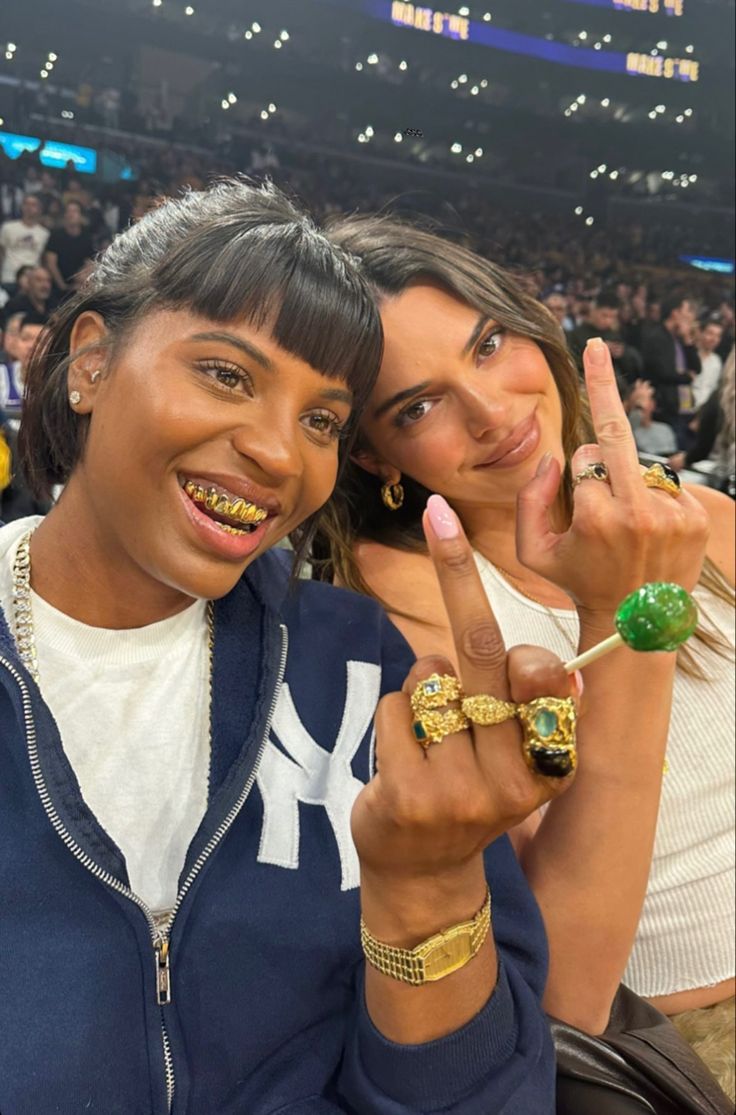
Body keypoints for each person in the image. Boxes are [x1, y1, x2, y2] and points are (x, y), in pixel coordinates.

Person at [1, 177, 589, 1114]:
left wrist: (427, 885)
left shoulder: (364, 667)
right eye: (227, 373)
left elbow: (490, 1094)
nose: (281, 453)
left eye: (322, 419)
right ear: (91, 363)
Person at [318, 213, 735, 1101]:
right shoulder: (403, 607)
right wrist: (626, 616)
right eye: (419, 405)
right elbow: (560, 980)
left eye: (488, 342)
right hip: (679, 1039)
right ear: (371, 451)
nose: (494, 411)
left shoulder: (696, 514)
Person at [641, 293, 701, 435]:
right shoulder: (657, 337)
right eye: (687, 311)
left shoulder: (680, 339)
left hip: (684, 403)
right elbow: (663, 373)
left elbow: (697, 368)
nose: (690, 317)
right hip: (665, 406)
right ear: (675, 313)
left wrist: (687, 340)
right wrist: (687, 377)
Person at [567, 290, 643, 389]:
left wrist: (622, 354)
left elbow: (629, 370)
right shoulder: (576, 335)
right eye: (604, 315)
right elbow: (572, 364)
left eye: (612, 317)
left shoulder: (615, 335)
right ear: (593, 310)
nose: (608, 321)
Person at [43, 200, 95, 294]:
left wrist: (82, 278)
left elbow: (89, 261)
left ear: (81, 216)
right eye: (69, 211)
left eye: (75, 211)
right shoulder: (56, 235)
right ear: (65, 215)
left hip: (79, 282)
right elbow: (51, 264)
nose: (71, 214)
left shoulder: (86, 236)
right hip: (59, 283)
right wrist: (63, 286)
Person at [0, 194, 50, 293]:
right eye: (26, 204)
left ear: (39, 209)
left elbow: (44, 259)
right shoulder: (8, 227)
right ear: (22, 206)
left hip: (34, 281)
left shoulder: (44, 233)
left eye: (33, 204)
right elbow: (1, 253)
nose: (29, 207)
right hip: (9, 277)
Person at [625, 379, 678, 457]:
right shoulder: (630, 430)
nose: (644, 404)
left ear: (653, 404)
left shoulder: (665, 429)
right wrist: (639, 407)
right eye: (638, 403)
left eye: (647, 400)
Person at [693, 320, 724, 409]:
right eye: (710, 333)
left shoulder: (717, 361)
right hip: (687, 410)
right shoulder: (690, 355)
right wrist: (686, 410)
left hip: (705, 413)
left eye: (718, 336)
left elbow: (713, 390)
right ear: (701, 333)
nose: (714, 339)